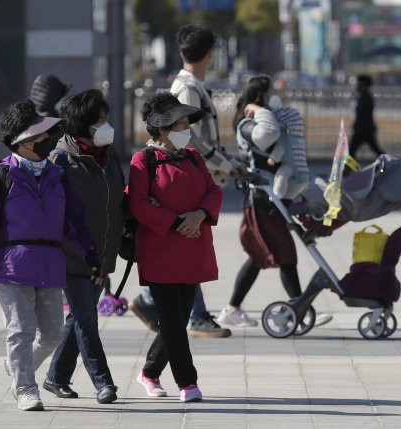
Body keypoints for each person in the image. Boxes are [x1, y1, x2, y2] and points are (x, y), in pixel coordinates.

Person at [0, 99, 101, 411]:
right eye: (42, 135)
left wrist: (91, 253)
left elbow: (76, 220)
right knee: (20, 331)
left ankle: (17, 368)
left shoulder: (57, 175)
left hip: (49, 265)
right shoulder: (0, 177)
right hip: (11, 266)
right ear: (23, 141)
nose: (49, 139)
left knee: (52, 333)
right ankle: (25, 389)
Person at [129, 23, 237, 339]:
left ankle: (163, 305)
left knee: (188, 246)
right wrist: (223, 163)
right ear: (211, 55)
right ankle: (192, 315)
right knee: (184, 246)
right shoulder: (188, 88)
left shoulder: (193, 84)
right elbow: (197, 140)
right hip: (181, 174)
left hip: (191, 173)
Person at [215, 75, 332, 328]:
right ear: (259, 96)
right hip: (261, 200)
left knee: (264, 257)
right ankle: (298, 309)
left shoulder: (262, 119)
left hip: (270, 200)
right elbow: (268, 134)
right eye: (270, 93)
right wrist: (258, 110)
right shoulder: (248, 124)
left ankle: (234, 309)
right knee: (282, 255)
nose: (275, 97)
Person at [130, 92, 222, 402]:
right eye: (179, 125)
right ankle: (188, 383)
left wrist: (199, 215)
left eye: (186, 123)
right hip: (161, 252)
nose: (186, 130)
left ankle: (149, 373)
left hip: (194, 249)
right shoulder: (143, 160)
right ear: (161, 129)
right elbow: (138, 204)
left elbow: (213, 190)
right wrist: (175, 222)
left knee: (178, 320)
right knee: (172, 321)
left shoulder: (194, 156)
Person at [39, 89, 123, 404]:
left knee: (79, 317)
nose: (107, 126)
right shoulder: (59, 160)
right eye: (100, 121)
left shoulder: (110, 155)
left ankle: (56, 376)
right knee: (87, 319)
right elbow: (49, 214)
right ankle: (104, 383)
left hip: (102, 253)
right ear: (83, 126)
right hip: (71, 257)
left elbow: (118, 199)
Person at [349, 74, 385, 159]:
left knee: (353, 150)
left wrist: (358, 126)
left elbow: (364, 114)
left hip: (364, 129)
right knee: (353, 150)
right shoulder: (364, 96)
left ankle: (389, 163)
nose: (357, 85)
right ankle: (349, 168)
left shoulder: (366, 97)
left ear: (364, 84)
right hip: (364, 128)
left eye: (359, 83)